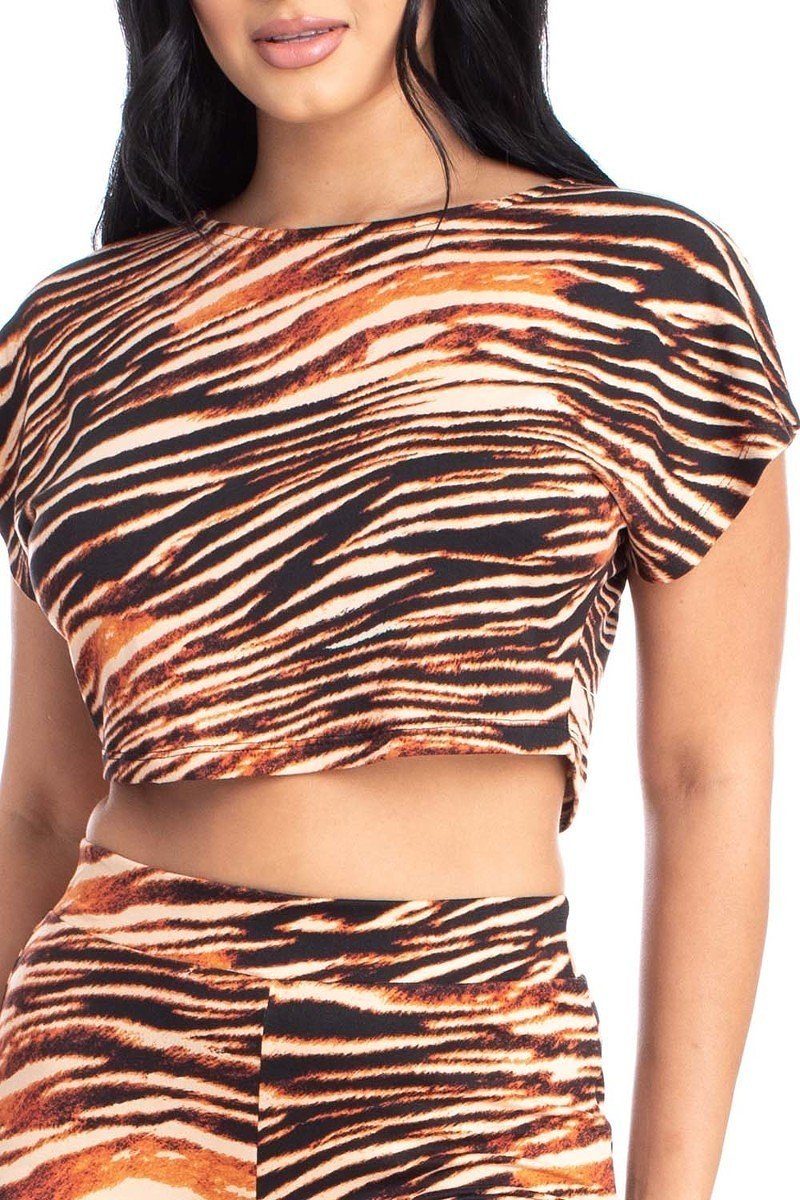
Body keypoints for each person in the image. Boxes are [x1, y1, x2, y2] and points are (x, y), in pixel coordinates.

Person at [0, 3, 796, 1198]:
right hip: (110, 1054)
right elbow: (39, 803)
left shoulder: (643, 286)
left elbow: (706, 777)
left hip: (470, 1051)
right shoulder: (73, 334)